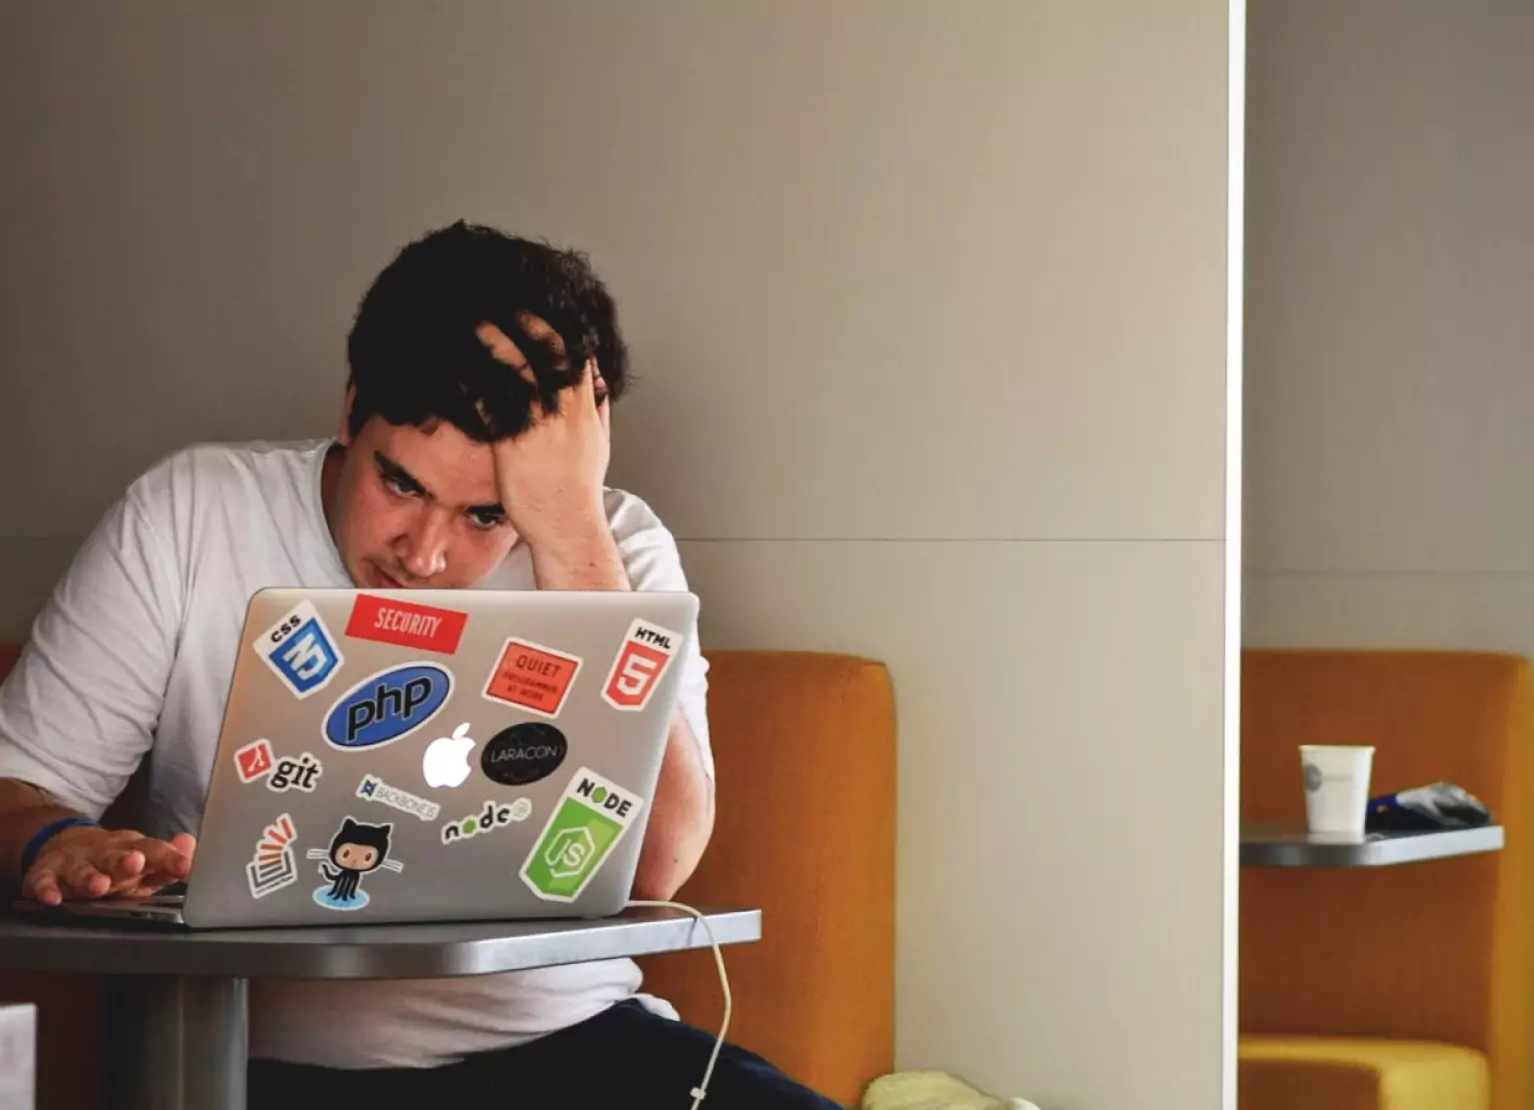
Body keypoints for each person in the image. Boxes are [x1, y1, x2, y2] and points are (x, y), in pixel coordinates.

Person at [0, 222, 839, 1109]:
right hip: (261, 1067)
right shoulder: (191, 515)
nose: (426, 555)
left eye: (486, 515)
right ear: (351, 407)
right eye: (400, 484)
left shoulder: (612, 545)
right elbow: (15, 787)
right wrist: (64, 844)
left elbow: (656, 867)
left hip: (573, 1041)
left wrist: (570, 532)